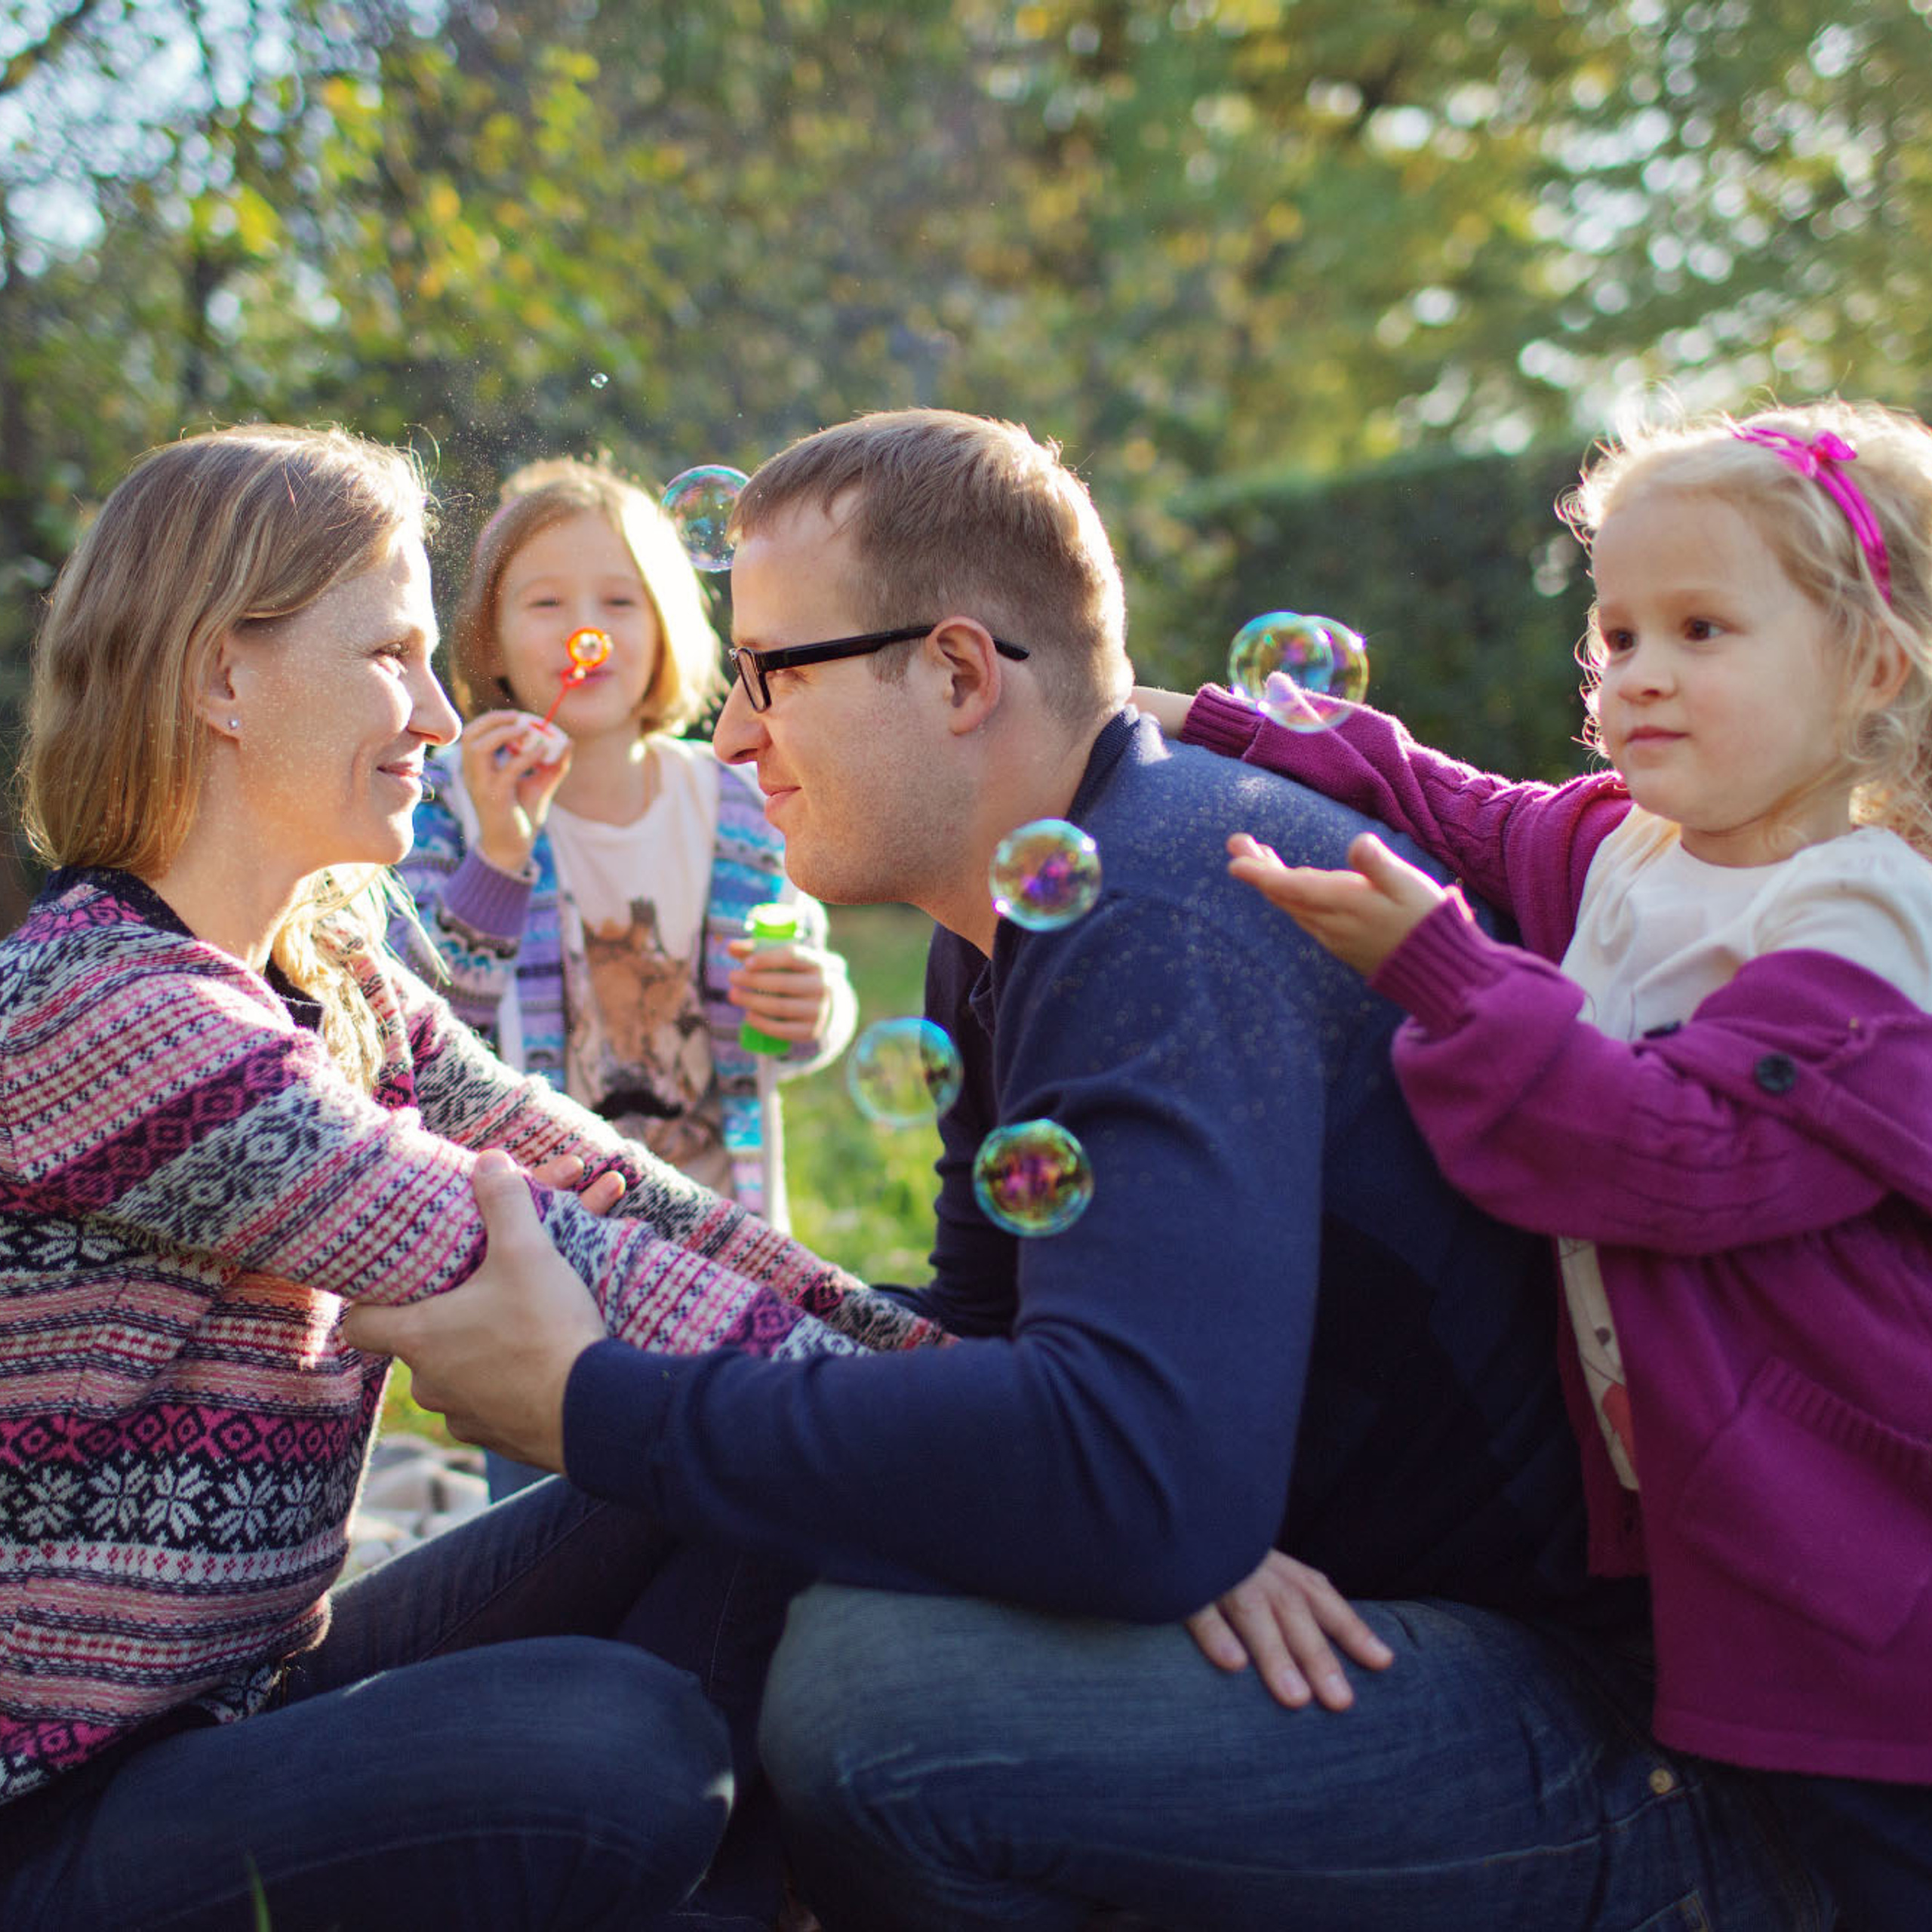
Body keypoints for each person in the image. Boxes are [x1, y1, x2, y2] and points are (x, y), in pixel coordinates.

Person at [349, 408, 1826, 1932]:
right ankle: (317, 1710)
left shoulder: (1161, 908)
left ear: (957, 673)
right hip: (1353, 1598)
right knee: (804, 1475)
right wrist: (622, 1388)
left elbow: (1133, 1482)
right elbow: (978, 1343)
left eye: (772, 673)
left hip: (1635, 1749)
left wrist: (595, 1404)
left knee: (880, 1695)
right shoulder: (1012, 907)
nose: (730, 735)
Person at [0, 423, 940, 1932]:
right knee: (618, 1742)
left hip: (250, 1685)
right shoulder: (108, 1013)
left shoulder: (336, 968)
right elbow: (550, 1254)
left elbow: (624, 1192)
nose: (443, 715)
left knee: (754, 1454)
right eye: (394, 656)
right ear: (221, 678)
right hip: (65, 1806)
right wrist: (1014, 1466)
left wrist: (957, 1383)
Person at [1180, 398, 1932, 1931]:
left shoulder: (1862, 926)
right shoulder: (1638, 849)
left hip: (1866, 1567)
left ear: (1872, 666)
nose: (1639, 670)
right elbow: (1457, 805)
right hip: (1741, 1535)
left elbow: (1665, 1154)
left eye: (1700, 629)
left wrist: (1444, 973)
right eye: (1618, 633)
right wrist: (1210, 724)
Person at [392, 454, 857, 1502]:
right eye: (545, 603)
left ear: (668, 629)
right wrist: (500, 853)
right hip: (540, 1262)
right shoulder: (447, 801)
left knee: (724, 1507)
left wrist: (816, 1006)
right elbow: (424, 1027)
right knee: (548, 1526)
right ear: (489, 640)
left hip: (717, 1246)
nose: (583, 631)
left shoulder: (739, 799)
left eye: (617, 600)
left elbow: (792, 994)